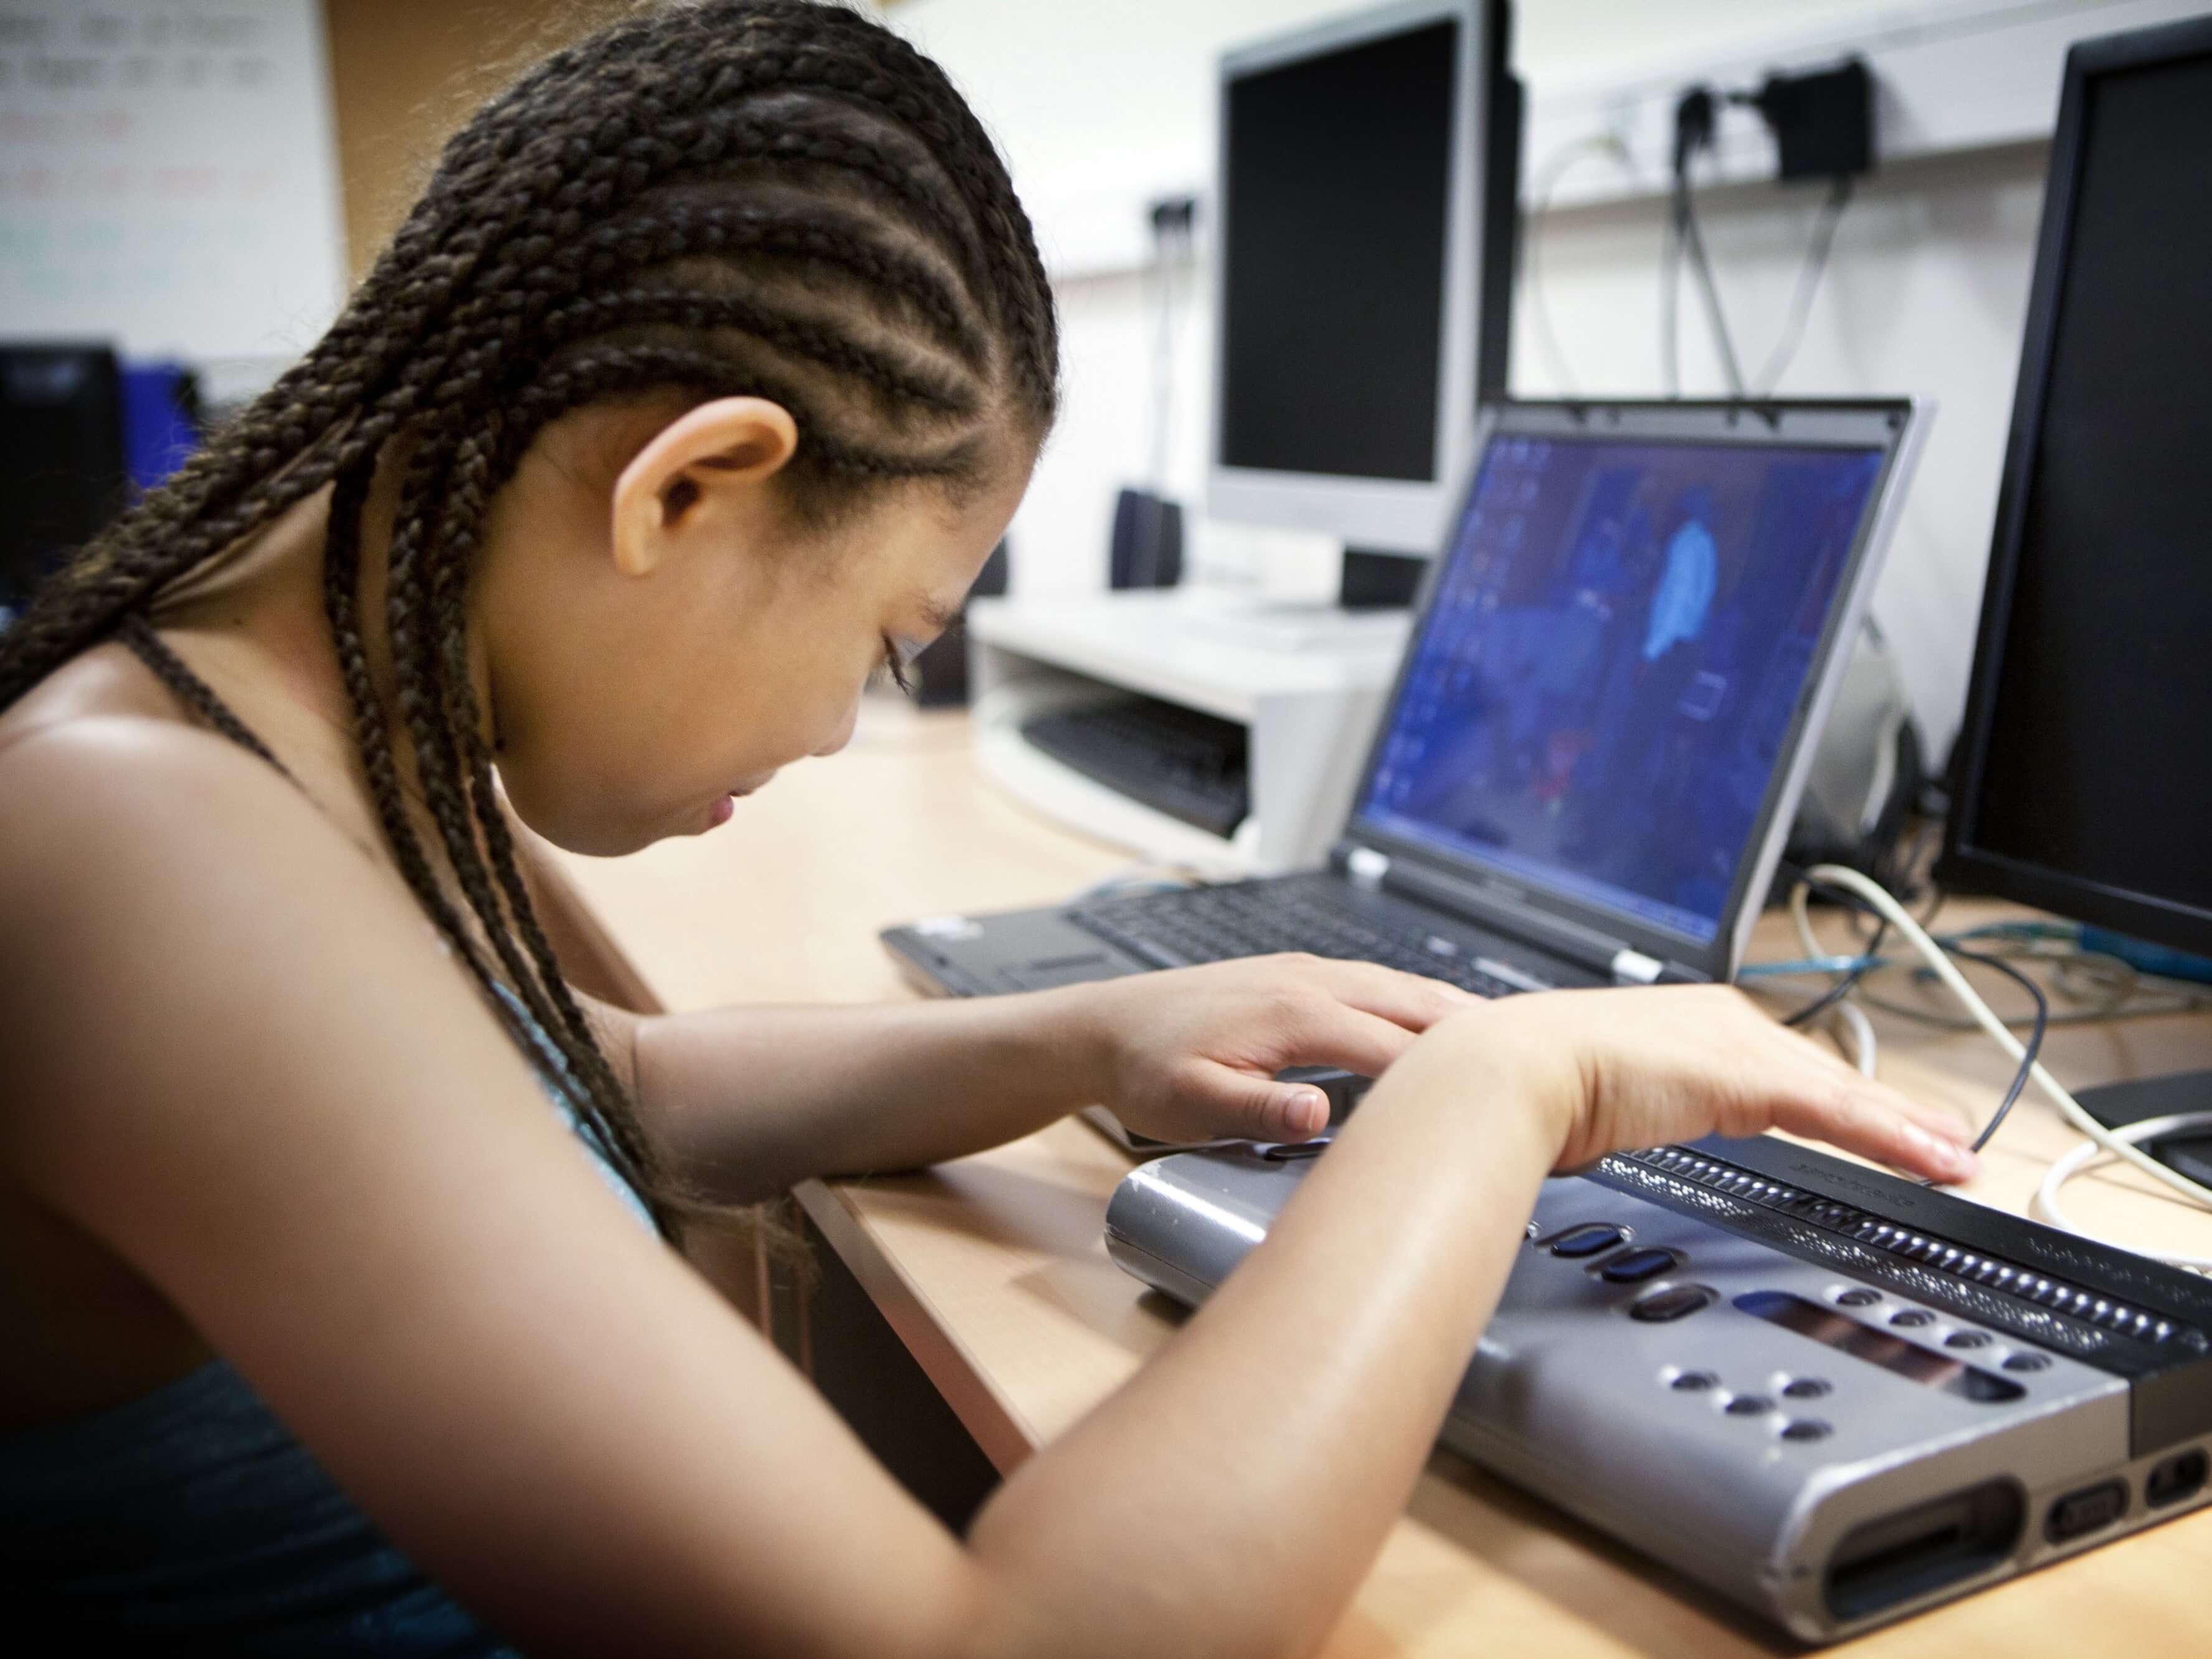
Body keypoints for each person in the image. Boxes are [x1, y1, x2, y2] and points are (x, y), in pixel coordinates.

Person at [0, 4, 1979, 1653]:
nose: (849, 723)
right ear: (688, 489)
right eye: (883, 642)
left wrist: (1082, 1037)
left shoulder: (260, 720)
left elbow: (576, 1092)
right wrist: (1503, 1090)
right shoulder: (143, 859)